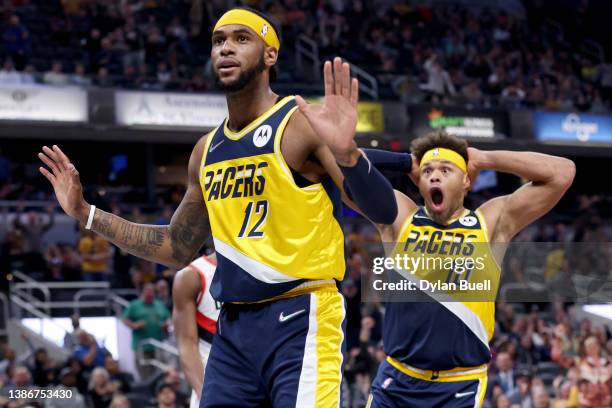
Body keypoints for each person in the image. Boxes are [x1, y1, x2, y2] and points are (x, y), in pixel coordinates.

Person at [39, 6, 395, 407]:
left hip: (301, 315)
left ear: (270, 55)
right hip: (233, 328)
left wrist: (348, 154)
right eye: (218, 41)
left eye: (241, 39)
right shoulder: (206, 150)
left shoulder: (299, 125)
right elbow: (177, 246)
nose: (226, 48)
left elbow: (381, 211)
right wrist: (86, 212)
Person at [353, 130, 574, 407]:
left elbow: (563, 172)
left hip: (459, 385)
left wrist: (484, 158)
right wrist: (404, 162)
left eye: (446, 170)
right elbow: (338, 163)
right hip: (397, 381)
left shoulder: (490, 222)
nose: (435, 176)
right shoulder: (400, 217)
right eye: (428, 171)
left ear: (466, 180)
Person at [173, 253, 218, 408]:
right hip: (213, 380)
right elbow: (186, 343)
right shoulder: (192, 275)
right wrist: (205, 393)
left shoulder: (265, 269)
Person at [122, 283, 170, 381]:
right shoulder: (135, 305)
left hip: (157, 345)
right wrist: (134, 325)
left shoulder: (159, 304)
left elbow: (168, 318)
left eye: (151, 294)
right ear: (143, 293)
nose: (149, 296)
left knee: (160, 374)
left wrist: (166, 324)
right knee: (144, 375)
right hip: (141, 346)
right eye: (147, 294)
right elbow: (125, 319)